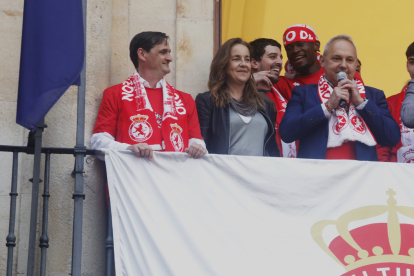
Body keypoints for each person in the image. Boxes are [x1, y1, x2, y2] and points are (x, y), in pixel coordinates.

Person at [279, 35, 400, 161]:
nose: (343, 65)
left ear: (356, 63)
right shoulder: (303, 93)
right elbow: (287, 133)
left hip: (362, 177)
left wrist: (361, 103)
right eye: (336, 59)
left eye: (349, 60)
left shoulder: (374, 95)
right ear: (322, 61)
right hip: (316, 175)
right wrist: (327, 106)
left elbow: (392, 138)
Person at [91, 31, 207, 160]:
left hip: (174, 177)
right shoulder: (115, 94)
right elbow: (98, 143)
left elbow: (196, 141)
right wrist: (127, 149)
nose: (170, 58)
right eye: (163, 52)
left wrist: (198, 148)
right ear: (142, 54)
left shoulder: (185, 99)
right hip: (132, 177)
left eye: (169, 52)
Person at [195, 38, 279, 157]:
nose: (243, 64)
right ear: (223, 64)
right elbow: (201, 145)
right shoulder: (208, 101)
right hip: (223, 174)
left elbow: (272, 149)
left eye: (247, 59)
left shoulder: (265, 104)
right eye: (236, 59)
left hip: (259, 174)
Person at [249, 38, 295, 157]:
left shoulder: (284, 98)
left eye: (280, 57)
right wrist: (248, 83)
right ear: (254, 63)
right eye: (272, 57)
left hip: (287, 167)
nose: (279, 62)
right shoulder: (241, 95)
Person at [377, 42, 414, 162]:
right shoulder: (389, 103)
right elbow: (382, 145)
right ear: (407, 65)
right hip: (399, 176)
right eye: (412, 62)